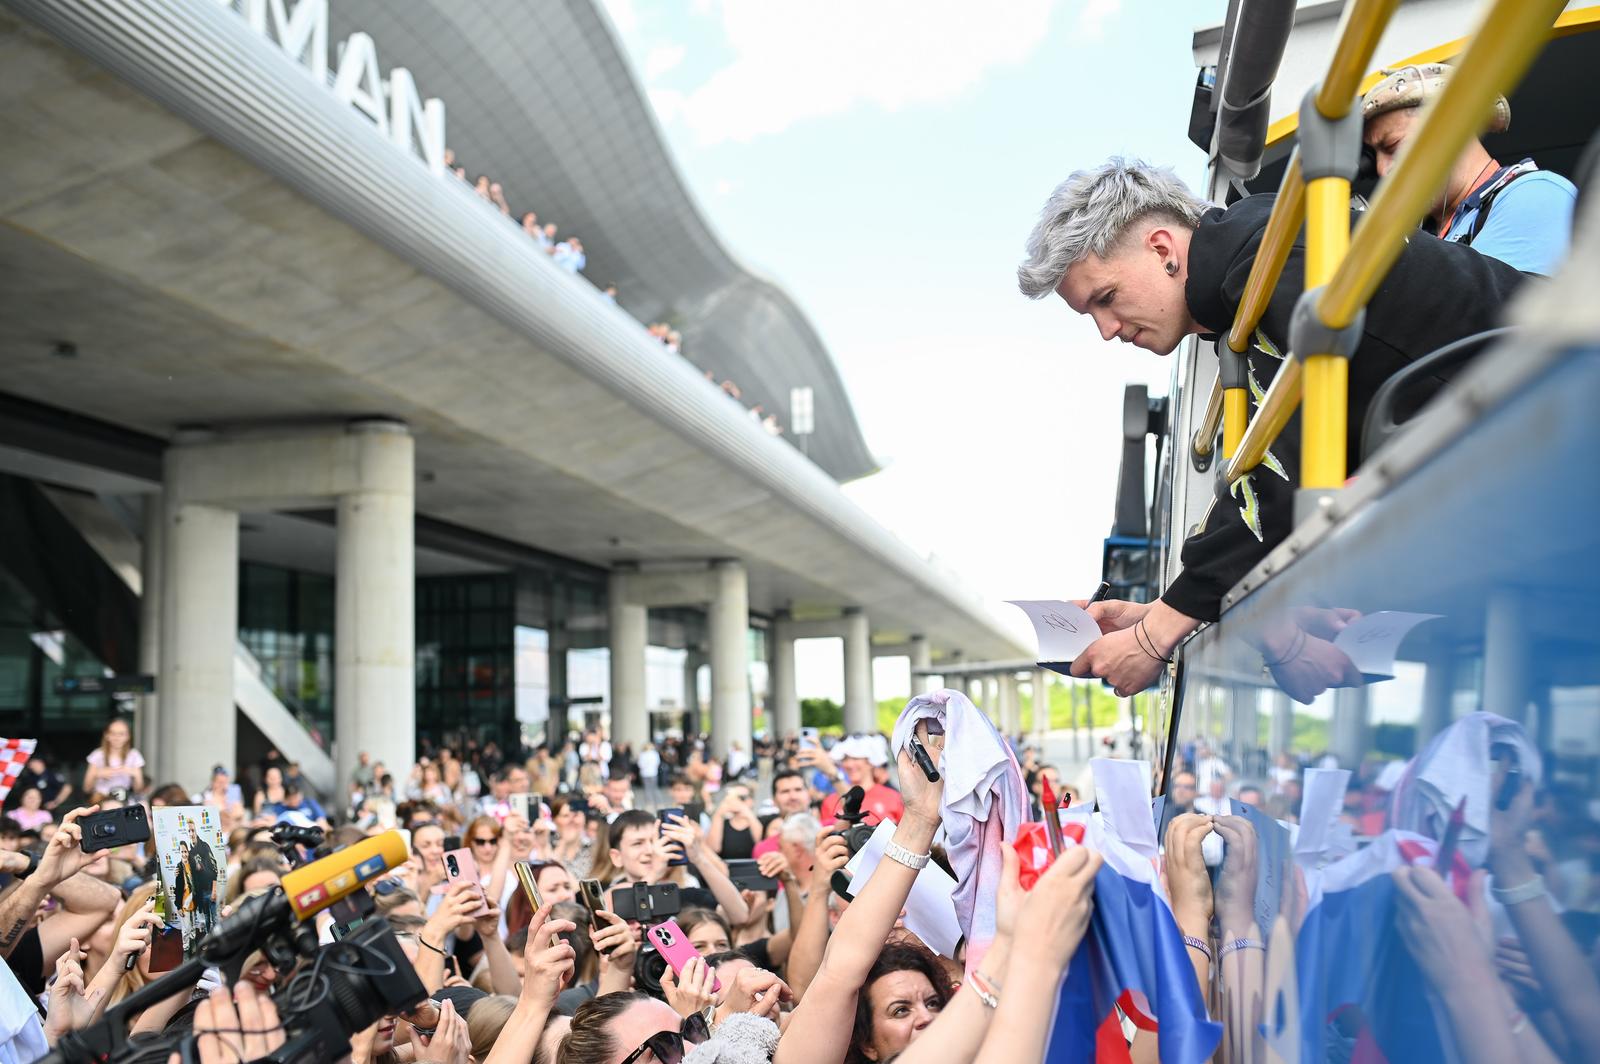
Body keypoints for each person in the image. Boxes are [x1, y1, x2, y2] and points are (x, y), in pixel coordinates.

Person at [1017, 158, 1524, 695]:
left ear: (1163, 250)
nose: (1106, 331)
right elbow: (1273, 472)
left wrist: (1155, 635)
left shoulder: (1269, 258)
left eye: (1106, 298)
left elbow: (1279, 467)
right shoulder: (1252, 270)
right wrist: (1160, 612)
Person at [1361, 63, 1577, 275]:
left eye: (1392, 146)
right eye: (1375, 157)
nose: (1381, 169)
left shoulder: (1534, 195)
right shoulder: (1427, 233)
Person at [83, 719, 144, 797]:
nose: (117, 737)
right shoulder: (97, 755)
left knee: (146, 806)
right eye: (113, 733)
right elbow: (86, 789)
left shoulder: (134, 755)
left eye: (121, 734)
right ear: (106, 735)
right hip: (102, 797)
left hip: (125, 798)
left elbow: (138, 790)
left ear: (128, 736)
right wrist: (97, 774)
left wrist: (136, 775)